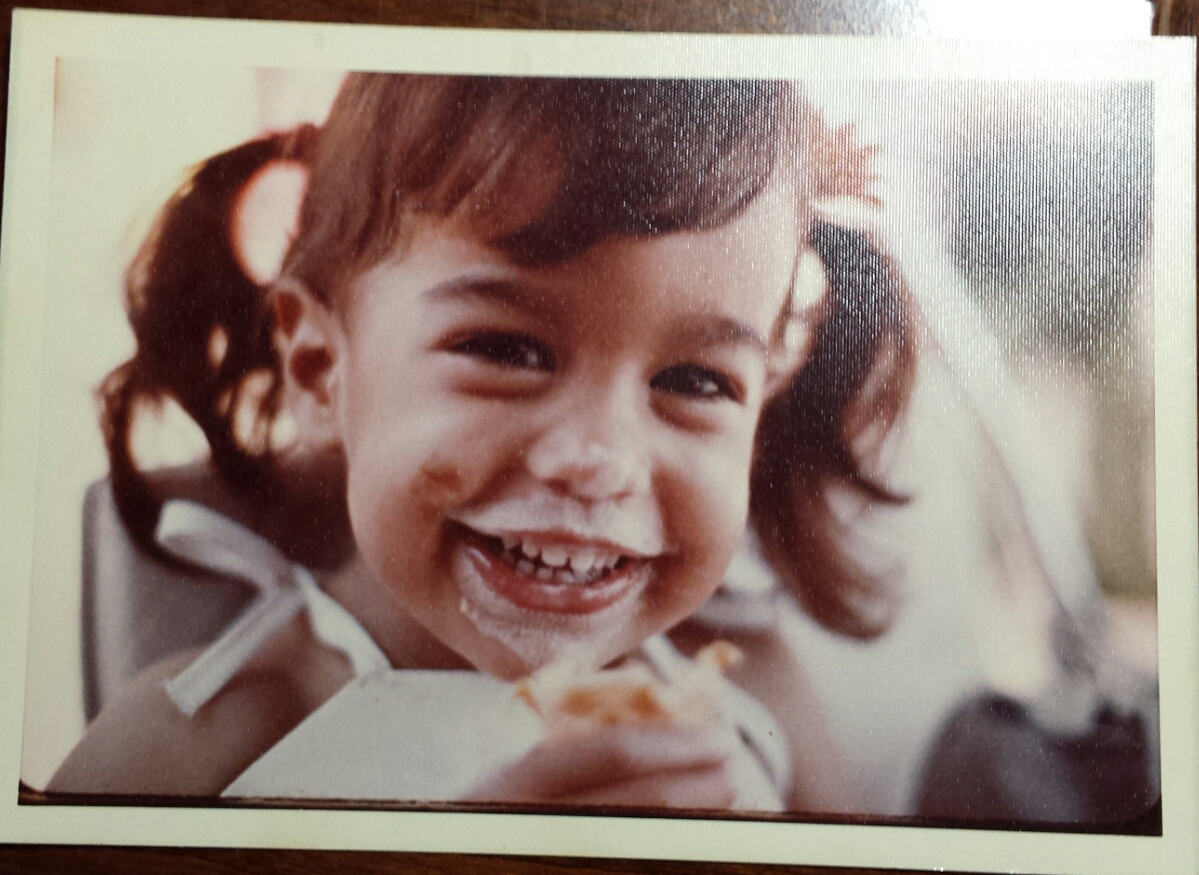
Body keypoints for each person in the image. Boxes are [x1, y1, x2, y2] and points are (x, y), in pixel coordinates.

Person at [47, 74, 915, 811]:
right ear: (318, 370)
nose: (600, 460)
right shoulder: (185, 749)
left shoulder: (749, 694)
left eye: (694, 380)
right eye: (506, 350)